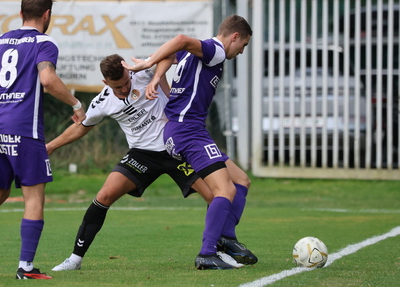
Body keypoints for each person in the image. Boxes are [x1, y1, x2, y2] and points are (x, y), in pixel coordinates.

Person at [49, 53, 256, 272]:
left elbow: (167, 57)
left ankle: (218, 251)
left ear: (129, 72)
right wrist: (51, 146)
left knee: (216, 196)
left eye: (126, 83)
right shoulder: (103, 101)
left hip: (176, 149)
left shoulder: (141, 71)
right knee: (104, 196)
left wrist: (156, 75)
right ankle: (75, 259)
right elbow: (81, 126)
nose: (124, 90)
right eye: (117, 87)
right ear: (105, 83)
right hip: (142, 155)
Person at [122, 14, 253, 270]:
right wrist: (149, 63)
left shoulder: (197, 54)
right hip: (188, 131)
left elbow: (171, 56)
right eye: (243, 45)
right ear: (235, 36)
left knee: (241, 181)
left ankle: (226, 238)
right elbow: (180, 40)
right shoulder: (215, 50)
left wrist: (157, 77)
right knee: (224, 191)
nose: (241, 52)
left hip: (181, 129)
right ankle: (208, 252)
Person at [0, 0, 86, 280]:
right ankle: (26, 268)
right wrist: (75, 104)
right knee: (33, 197)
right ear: (47, 14)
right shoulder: (45, 42)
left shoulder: (0, 41)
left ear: (21, 13)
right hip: (24, 131)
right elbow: (47, 80)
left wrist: (1, 110)